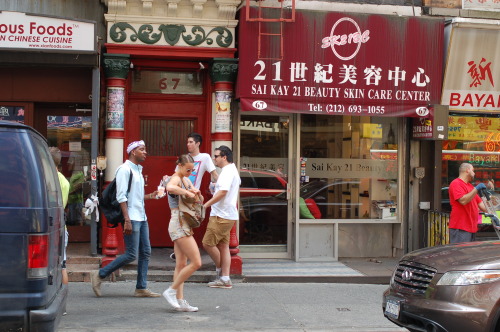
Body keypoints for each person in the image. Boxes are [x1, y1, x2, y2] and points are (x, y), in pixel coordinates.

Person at [91, 140, 160, 297]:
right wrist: (127, 219)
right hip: (131, 217)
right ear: (133, 152)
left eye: (145, 149)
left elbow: (135, 195)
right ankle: (100, 274)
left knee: (146, 251)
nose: (145, 152)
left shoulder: (138, 170)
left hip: (141, 216)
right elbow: (121, 196)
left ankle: (141, 287)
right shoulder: (124, 169)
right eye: (142, 149)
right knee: (131, 254)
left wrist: (150, 196)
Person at [165, 132, 218, 260]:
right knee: (179, 219)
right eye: (187, 142)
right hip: (181, 195)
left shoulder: (204, 157)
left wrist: (217, 186)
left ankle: (182, 253)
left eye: (191, 142)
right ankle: (181, 253)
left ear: (198, 143)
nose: (188, 144)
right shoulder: (185, 158)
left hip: (193, 195)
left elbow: (214, 174)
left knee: (189, 221)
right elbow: (176, 177)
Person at [162, 154, 203, 311]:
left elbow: (197, 199)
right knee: (196, 262)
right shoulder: (176, 178)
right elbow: (170, 187)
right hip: (178, 222)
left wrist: (195, 193)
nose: (190, 173)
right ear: (179, 165)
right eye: (188, 169)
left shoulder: (185, 180)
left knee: (181, 264)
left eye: (192, 171)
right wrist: (186, 193)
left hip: (182, 222)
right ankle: (171, 291)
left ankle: (180, 301)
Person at [202, 146, 241, 289]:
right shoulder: (230, 171)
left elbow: (223, 192)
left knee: (207, 243)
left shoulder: (227, 172)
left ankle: (220, 271)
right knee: (223, 246)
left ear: (224, 157)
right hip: (226, 214)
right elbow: (222, 190)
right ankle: (225, 278)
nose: (214, 158)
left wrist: (205, 205)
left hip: (221, 215)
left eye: (216, 156)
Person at [449, 163, 487, 243]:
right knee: (460, 254)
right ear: (467, 170)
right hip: (460, 227)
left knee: (468, 254)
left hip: (471, 228)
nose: (474, 173)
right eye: (473, 170)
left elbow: (483, 206)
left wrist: (493, 202)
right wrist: (476, 189)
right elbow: (463, 201)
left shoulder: (470, 187)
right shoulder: (456, 183)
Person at [50, 147, 70, 288]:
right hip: (61, 226)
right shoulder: (64, 181)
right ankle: (63, 297)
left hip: (50, 226)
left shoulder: (48, 179)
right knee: (62, 265)